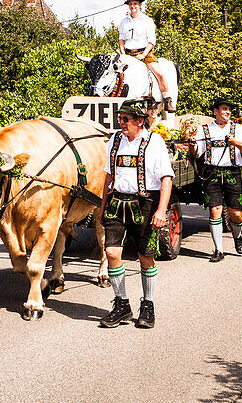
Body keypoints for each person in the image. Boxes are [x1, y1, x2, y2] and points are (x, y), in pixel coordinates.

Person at [98, 99, 173, 330]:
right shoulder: (115, 140)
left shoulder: (155, 142)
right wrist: (102, 207)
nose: (121, 123)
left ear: (140, 121)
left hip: (145, 204)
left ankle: (147, 305)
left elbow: (166, 179)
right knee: (111, 252)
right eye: (119, 119)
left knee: (145, 257)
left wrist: (161, 210)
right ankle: (121, 304)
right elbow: (109, 176)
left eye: (126, 119)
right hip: (117, 202)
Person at [192, 98, 242, 262]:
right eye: (224, 109)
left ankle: (238, 236)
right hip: (212, 173)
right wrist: (192, 145)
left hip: (233, 174)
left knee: (236, 214)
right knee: (215, 211)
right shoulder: (204, 130)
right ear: (216, 111)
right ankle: (218, 251)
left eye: (229, 110)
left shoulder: (238, 129)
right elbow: (196, 153)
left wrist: (235, 143)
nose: (228, 112)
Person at [118, 0, 171, 113]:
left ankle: (167, 98)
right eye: (131, 4)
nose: (133, 6)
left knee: (160, 74)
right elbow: (121, 39)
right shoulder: (124, 22)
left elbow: (152, 41)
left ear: (140, 5)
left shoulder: (147, 20)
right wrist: (123, 54)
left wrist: (143, 55)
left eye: (135, 4)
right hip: (128, 54)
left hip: (144, 52)